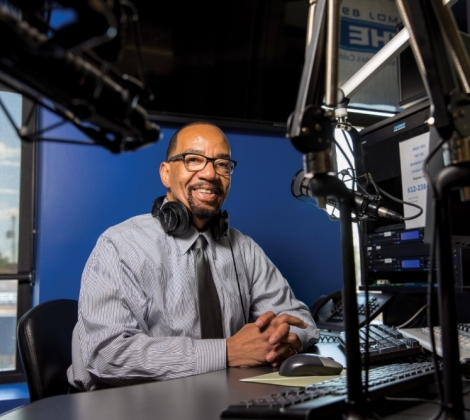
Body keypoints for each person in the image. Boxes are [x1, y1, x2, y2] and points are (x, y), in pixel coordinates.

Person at [68, 121, 319, 391]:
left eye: (222, 164)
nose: (210, 173)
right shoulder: (119, 246)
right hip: (126, 402)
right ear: (166, 173)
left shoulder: (243, 248)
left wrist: (284, 339)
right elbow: (107, 355)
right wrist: (227, 352)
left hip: (222, 396)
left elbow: (300, 320)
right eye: (193, 160)